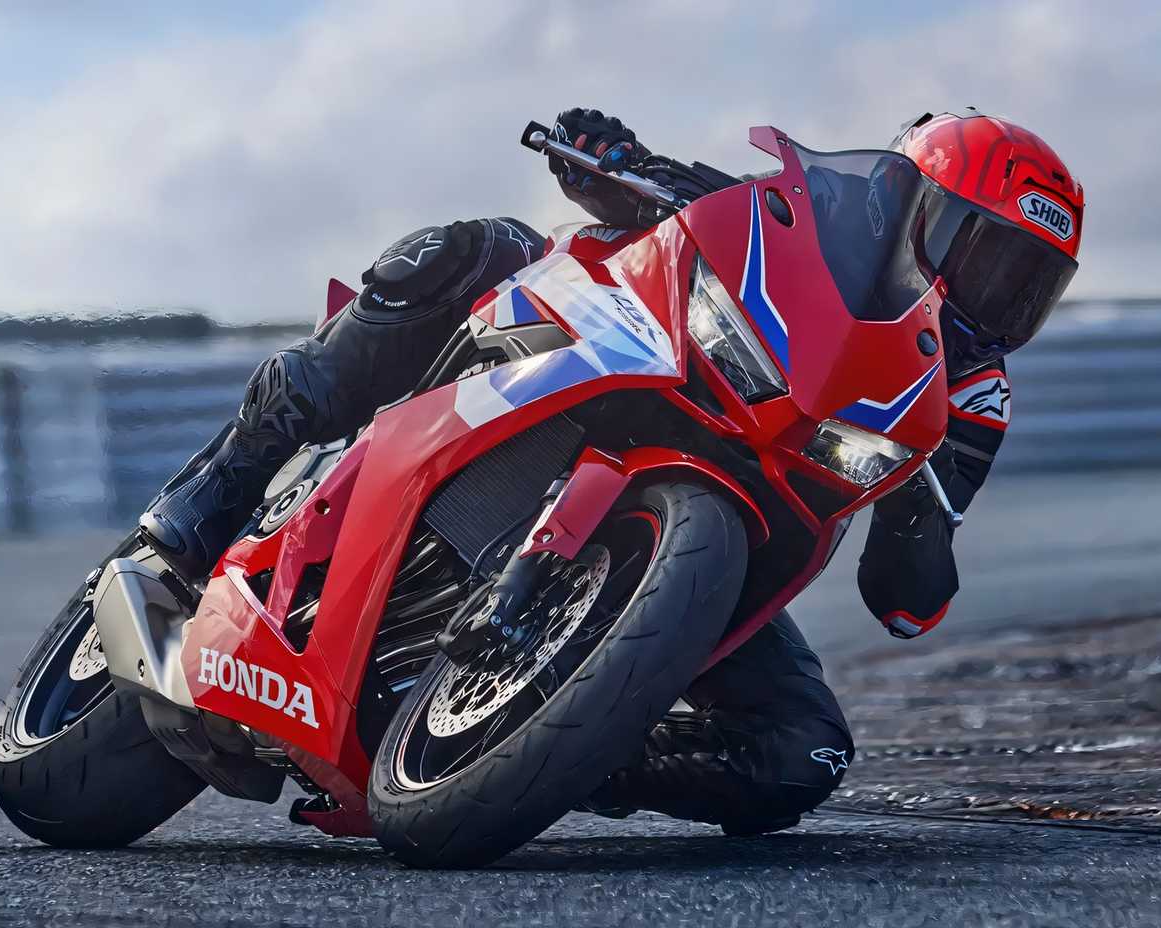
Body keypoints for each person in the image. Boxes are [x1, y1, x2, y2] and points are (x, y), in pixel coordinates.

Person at [138, 106, 1085, 835]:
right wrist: (610, 156)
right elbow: (648, 191)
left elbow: (906, 601)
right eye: (984, 256)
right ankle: (223, 479)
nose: (990, 301)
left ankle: (552, 747)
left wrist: (919, 511)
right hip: (610, 374)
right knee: (476, 249)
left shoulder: (971, 401)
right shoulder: (802, 220)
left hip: (740, 520)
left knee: (803, 755)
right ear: (913, 207)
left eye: (1024, 287)